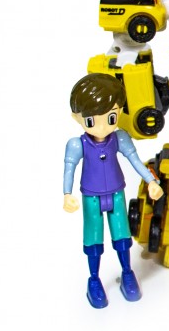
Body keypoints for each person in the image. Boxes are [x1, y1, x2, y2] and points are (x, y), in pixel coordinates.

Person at [63, 73, 163, 308]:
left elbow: (135, 160)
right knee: (93, 239)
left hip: (117, 193)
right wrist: (67, 194)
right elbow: (69, 169)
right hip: (91, 197)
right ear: (77, 118)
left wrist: (151, 180)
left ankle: (127, 272)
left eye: (110, 117)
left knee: (122, 236)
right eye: (91, 120)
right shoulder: (77, 144)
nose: (102, 126)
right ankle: (94, 279)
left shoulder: (119, 137)